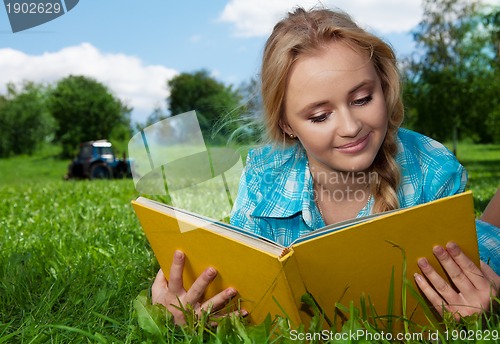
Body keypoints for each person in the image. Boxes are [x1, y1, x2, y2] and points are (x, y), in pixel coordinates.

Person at [151, 7, 499, 325]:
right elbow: (243, 288)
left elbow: (468, 274)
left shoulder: (432, 167)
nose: (350, 127)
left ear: (384, 84)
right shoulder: (263, 177)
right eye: (319, 116)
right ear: (287, 125)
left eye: (362, 98)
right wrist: (189, 304)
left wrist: (482, 304)